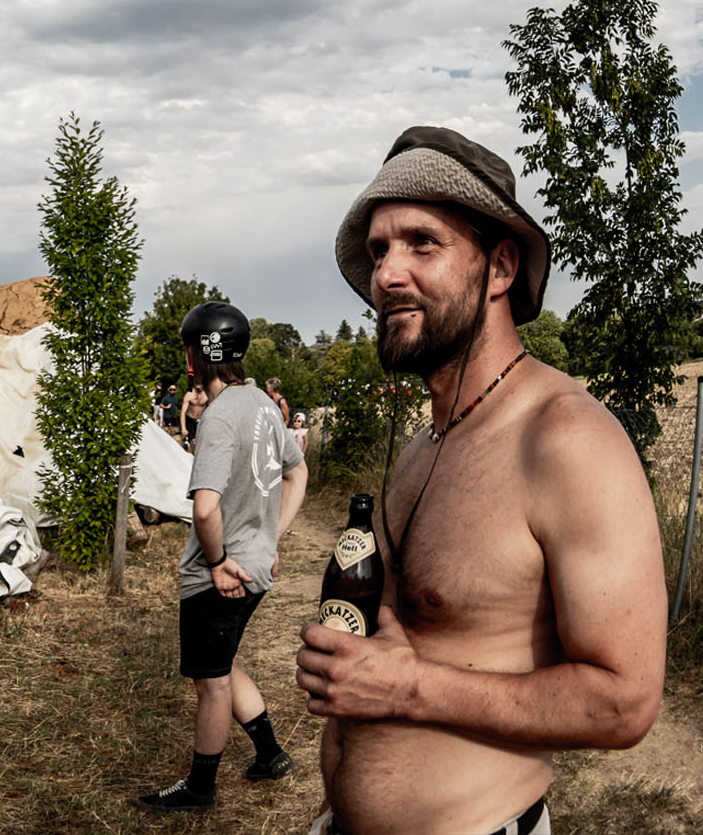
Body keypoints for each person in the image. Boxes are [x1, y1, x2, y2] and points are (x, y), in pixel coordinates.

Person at [296, 126, 666, 835]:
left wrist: (407, 686)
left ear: (499, 268)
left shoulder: (565, 437)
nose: (387, 274)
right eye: (379, 250)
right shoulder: (426, 442)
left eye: (421, 243)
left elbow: (625, 702)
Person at [137, 301, 309, 814]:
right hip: (256, 565)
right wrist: (271, 538)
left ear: (195, 356)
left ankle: (200, 788)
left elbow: (206, 508)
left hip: (221, 575)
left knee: (210, 682)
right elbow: (297, 472)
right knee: (223, 665)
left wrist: (216, 563)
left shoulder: (217, 417)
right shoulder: (263, 404)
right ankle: (270, 755)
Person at [180, 380, 209, 447]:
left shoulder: (207, 394)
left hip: (202, 421)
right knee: (192, 443)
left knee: (201, 443)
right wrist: (183, 428)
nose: (198, 386)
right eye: (197, 384)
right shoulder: (189, 394)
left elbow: (213, 409)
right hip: (190, 420)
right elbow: (183, 413)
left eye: (200, 384)